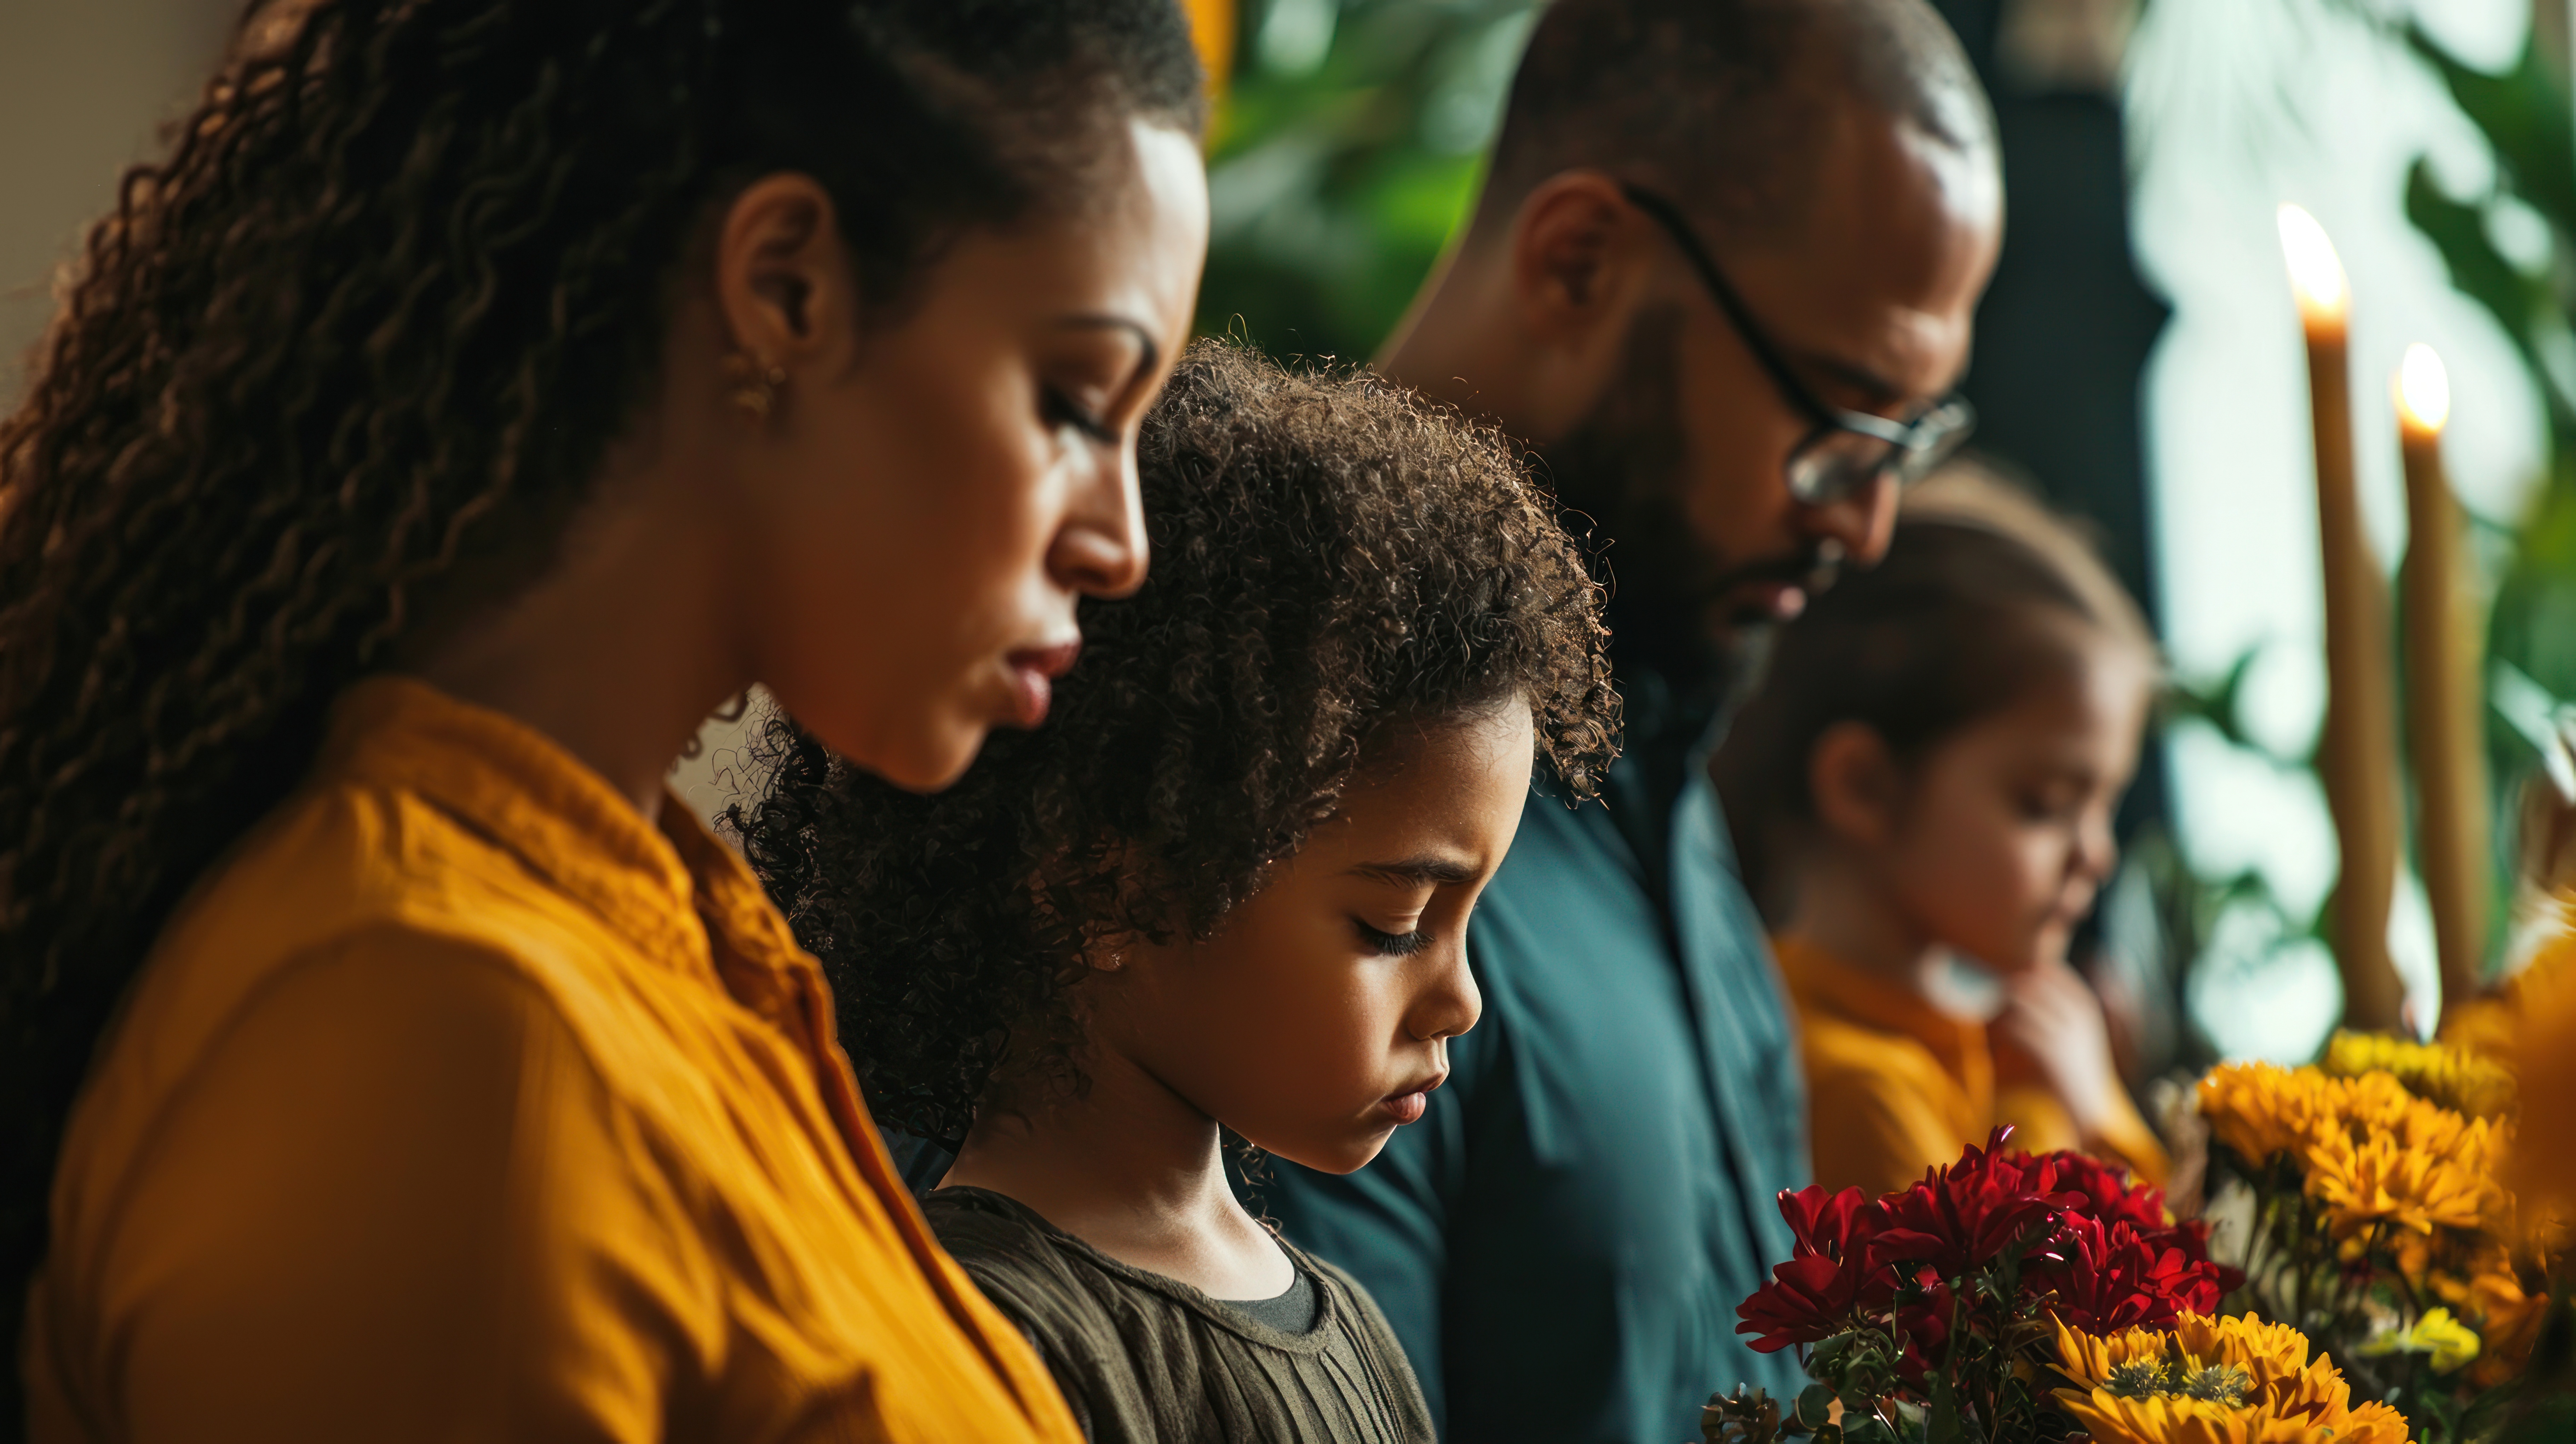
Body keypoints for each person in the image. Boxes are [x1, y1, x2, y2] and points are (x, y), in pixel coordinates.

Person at [0, 1, 1209, 1438]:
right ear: (787, 289)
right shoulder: (447, 1039)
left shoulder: (659, 941)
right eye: (1076, 400)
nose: (1121, 542)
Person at [1254, 0, 2004, 1438]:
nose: (1869, 520)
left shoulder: (1656, 728)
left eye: (1912, 439)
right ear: (1577, 260)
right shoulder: (1269, 779)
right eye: (1838, 418)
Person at [734, 340, 1620, 1444]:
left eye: (1467, 919)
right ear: (1110, 891)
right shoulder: (976, 1336)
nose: (1465, 1000)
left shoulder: (1343, 1322)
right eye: (1393, 927)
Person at [1711, 472, 2168, 1200]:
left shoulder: (1975, 1047)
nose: (2097, 853)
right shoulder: (1862, 1092)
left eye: (2104, 806)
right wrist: (2091, 1114)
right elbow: (2091, 1312)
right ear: (1863, 786)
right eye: (2044, 804)